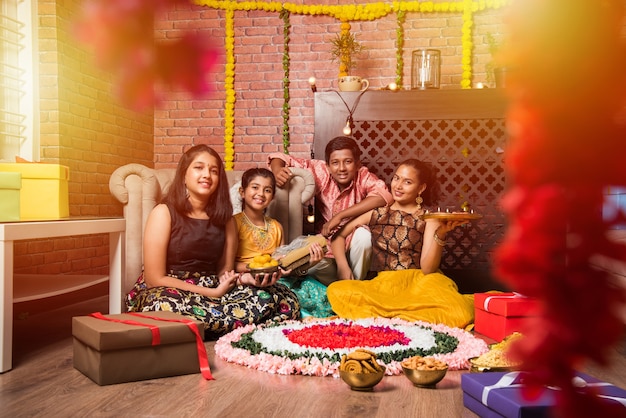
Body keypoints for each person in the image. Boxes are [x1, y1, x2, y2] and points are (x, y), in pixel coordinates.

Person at [126, 145, 301, 339]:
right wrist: (213, 294)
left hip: (213, 286)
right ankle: (229, 327)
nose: (207, 175)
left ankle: (202, 328)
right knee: (161, 305)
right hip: (171, 288)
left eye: (214, 171)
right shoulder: (163, 212)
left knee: (280, 297)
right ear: (184, 174)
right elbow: (154, 279)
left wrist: (247, 279)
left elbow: (224, 273)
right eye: (199, 168)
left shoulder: (226, 219)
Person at [326, 158, 475, 329]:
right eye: (396, 178)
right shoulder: (377, 213)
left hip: (418, 284)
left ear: (421, 188)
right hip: (384, 285)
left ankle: (394, 318)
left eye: (407, 182)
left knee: (459, 310)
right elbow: (338, 236)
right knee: (337, 291)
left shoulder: (428, 218)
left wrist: (440, 233)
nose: (398, 185)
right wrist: (342, 266)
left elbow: (428, 268)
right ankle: (402, 318)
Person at [268, 136, 393, 284]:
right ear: (327, 166)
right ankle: (339, 282)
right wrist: (277, 170)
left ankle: (353, 286)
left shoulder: (363, 175)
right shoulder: (321, 171)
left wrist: (340, 216)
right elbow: (279, 157)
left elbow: (384, 196)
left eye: (348, 162)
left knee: (364, 236)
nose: (341, 168)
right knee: (309, 267)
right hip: (327, 243)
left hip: (353, 239)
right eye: (335, 163)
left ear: (357, 164)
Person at [233, 167, 324, 275]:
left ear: (272, 197)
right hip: (246, 278)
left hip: (275, 278)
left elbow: (282, 263)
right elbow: (227, 264)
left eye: (267, 190)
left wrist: (310, 263)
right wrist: (261, 268)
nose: (261, 193)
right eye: (255, 187)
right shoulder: (233, 223)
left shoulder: (277, 227)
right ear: (242, 192)